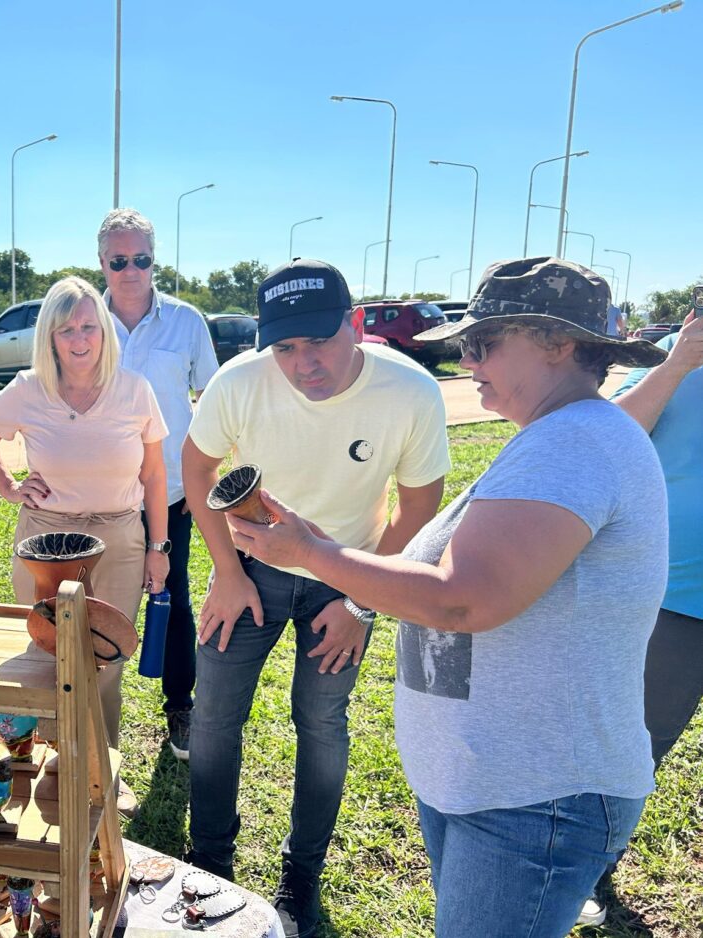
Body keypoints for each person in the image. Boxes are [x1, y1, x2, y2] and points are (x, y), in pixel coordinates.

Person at [226, 258, 669, 938]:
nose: (467, 357)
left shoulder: (574, 443)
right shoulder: (557, 437)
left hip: (533, 799)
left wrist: (314, 555)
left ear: (560, 343)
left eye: (485, 342)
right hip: (499, 790)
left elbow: (464, 601)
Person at [181, 258, 449, 936]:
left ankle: (301, 875)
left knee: (322, 722)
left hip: (345, 571)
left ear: (355, 324)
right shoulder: (239, 381)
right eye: (287, 347)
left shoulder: (410, 391)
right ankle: (209, 864)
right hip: (253, 570)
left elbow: (421, 502)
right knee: (213, 717)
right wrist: (227, 570)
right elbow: (195, 464)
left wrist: (361, 602)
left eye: (321, 341)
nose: (305, 364)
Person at [0, 275, 169, 814]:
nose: (79, 339)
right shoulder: (29, 388)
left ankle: (102, 765)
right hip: (46, 540)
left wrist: (159, 547)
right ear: (49, 338)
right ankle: (49, 757)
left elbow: (154, 475)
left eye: (88, 327)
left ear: (103, 330)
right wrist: (9, 486)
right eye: (65, 330)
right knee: (47, 654)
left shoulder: (134, 388)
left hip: (119, 536)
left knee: (106, 658)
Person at [577, 308, 703, 926]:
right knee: (634, 744)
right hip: (675, 599)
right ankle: (589, 872)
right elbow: (608, 438)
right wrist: (679, 362)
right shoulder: (679, 357)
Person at [96, 207, 220, 761]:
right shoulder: (82, 322)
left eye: (141, 259)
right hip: (102, 494)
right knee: (96, 600)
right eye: (119, 260)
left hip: (170, 493)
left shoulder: (187, 323)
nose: (130, 270)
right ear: (102, 263)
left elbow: (215, 402)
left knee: (174, 598)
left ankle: (180, 708)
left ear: (154, 260)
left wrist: (208, 476)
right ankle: (89, 711)